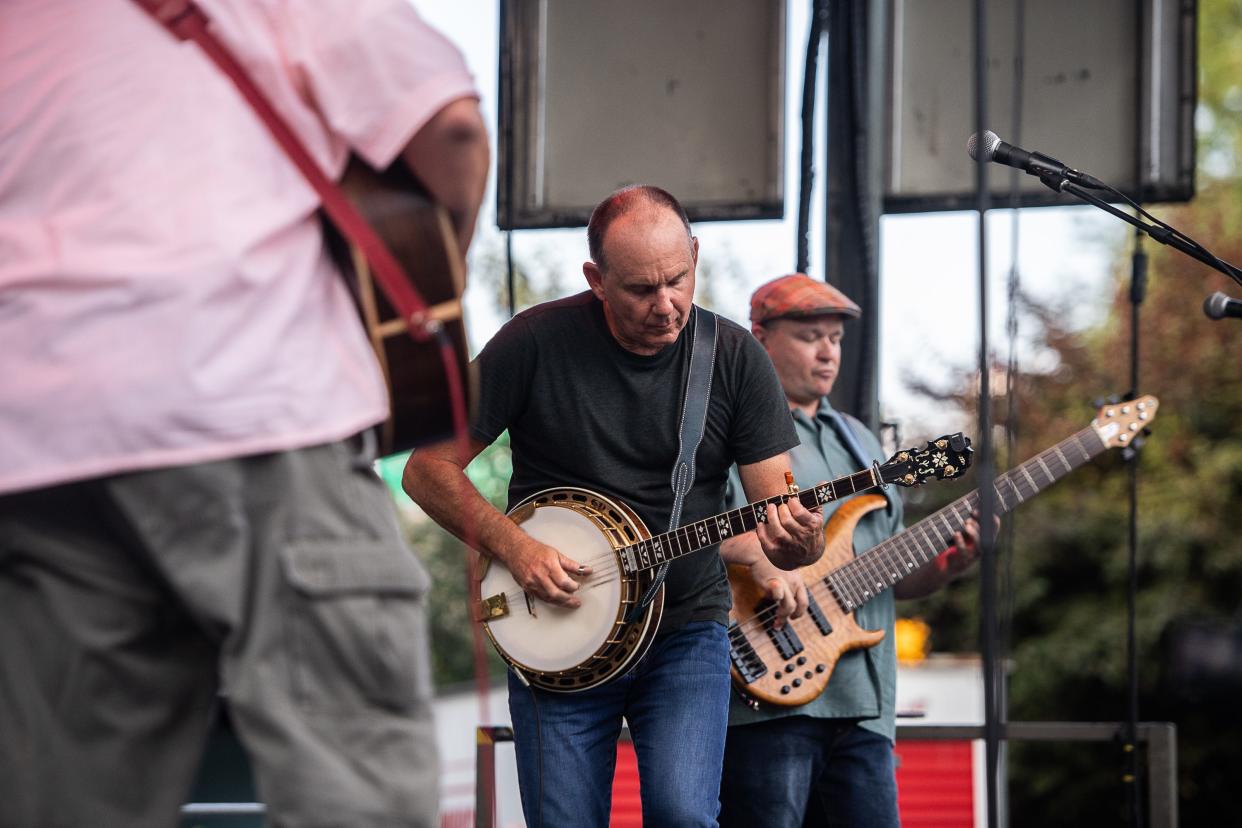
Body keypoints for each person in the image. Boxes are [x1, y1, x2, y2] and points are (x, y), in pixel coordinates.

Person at [0, 2, 488, 827]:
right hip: (257, 407)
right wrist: (427, 294)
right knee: (352, 787)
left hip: (36, 448)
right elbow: (451, 132)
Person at [402, 186, 826, 827]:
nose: (667, 304)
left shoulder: (736, 358)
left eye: (678, 280)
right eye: (640, 290)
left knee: (685, 816)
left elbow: (781, 522)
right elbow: (425, 469)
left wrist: (801, 542)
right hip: (556, 632)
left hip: (685, 627)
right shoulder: (534, 342)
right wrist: (515, 547)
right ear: (596, 279)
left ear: (695, 255)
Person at [717, 274, 984, 828]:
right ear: (760, 337)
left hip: (866, 705)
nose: (827, 351)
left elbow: (887, 571)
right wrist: (762, 558)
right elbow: (691, 531)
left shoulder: (862, 441)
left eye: (835, 339)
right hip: (766, 694)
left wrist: (943, 569)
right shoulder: (729, 430)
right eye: (810, 335)